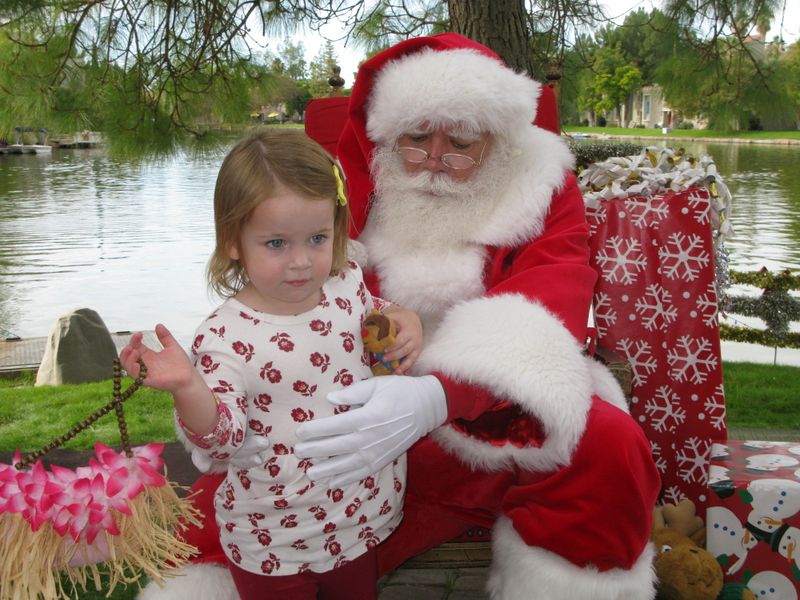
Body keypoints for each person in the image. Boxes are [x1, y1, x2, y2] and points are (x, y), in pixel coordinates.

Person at [290, 33, 662, 599]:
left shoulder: (539, 187)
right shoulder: (343, 190)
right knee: (282, 454)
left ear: (498, 143)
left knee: (609, 446)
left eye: (461, 142)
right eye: (416, 138)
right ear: (387, 137)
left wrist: (439, 395)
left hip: (504, 392)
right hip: (364, 387)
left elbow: (549, 295)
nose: (434, 158)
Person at [120, 128, 423, 600]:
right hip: (272, 539)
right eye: (276, 243)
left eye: (318, 238)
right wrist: (187, 387)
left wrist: (403, 319)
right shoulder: (225, 337)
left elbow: (373, 315)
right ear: (234, 241)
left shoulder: (345, 284)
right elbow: (222, 442)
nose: (301, 261)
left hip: (358, 517)